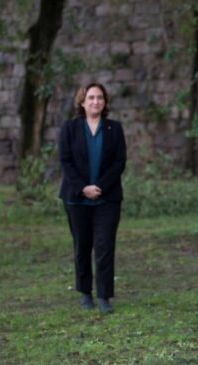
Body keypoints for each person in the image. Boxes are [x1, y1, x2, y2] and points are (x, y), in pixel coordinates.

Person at [58, 82, 126, 314]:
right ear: (82, 102)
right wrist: (83, 188)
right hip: (77, 199)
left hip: (107, 199)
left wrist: (100, 187)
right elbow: (65, 161)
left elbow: (120, 162)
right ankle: (85, 293)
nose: (95, 101)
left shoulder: (114, 129)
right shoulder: (69, 128)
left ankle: (104, 295)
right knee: (82, 246)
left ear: (105, 102)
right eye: (91, 98)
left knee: (105, 246)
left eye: (99, 97)